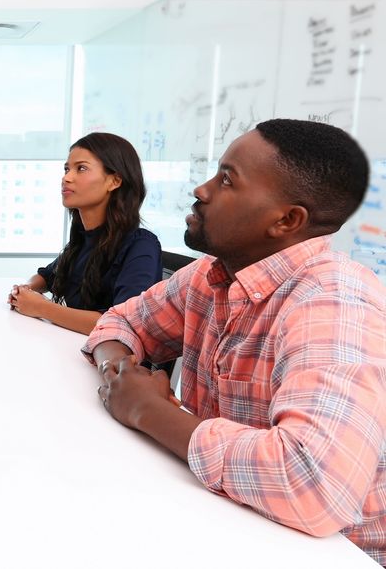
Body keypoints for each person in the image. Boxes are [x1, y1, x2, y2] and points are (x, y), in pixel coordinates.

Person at [84, 119, 385, 564]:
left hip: (334, 552)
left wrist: (147, 410)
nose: (201, 190)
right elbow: (120, 323)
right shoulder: (211, 274)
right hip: (230, 518)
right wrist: (119, 374)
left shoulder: (335, 303)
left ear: (287, 220)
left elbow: (312, 484)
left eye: (227, 180)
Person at [8, 132, 162, 334]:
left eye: (81, 168)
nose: (66, 177)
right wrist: (25, 289)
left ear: (114, 181)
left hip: (107, 363)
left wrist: (41, 307)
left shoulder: (141, 246)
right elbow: (48, 275)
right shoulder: (84, 239)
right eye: (66, 169)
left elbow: (122, 324)